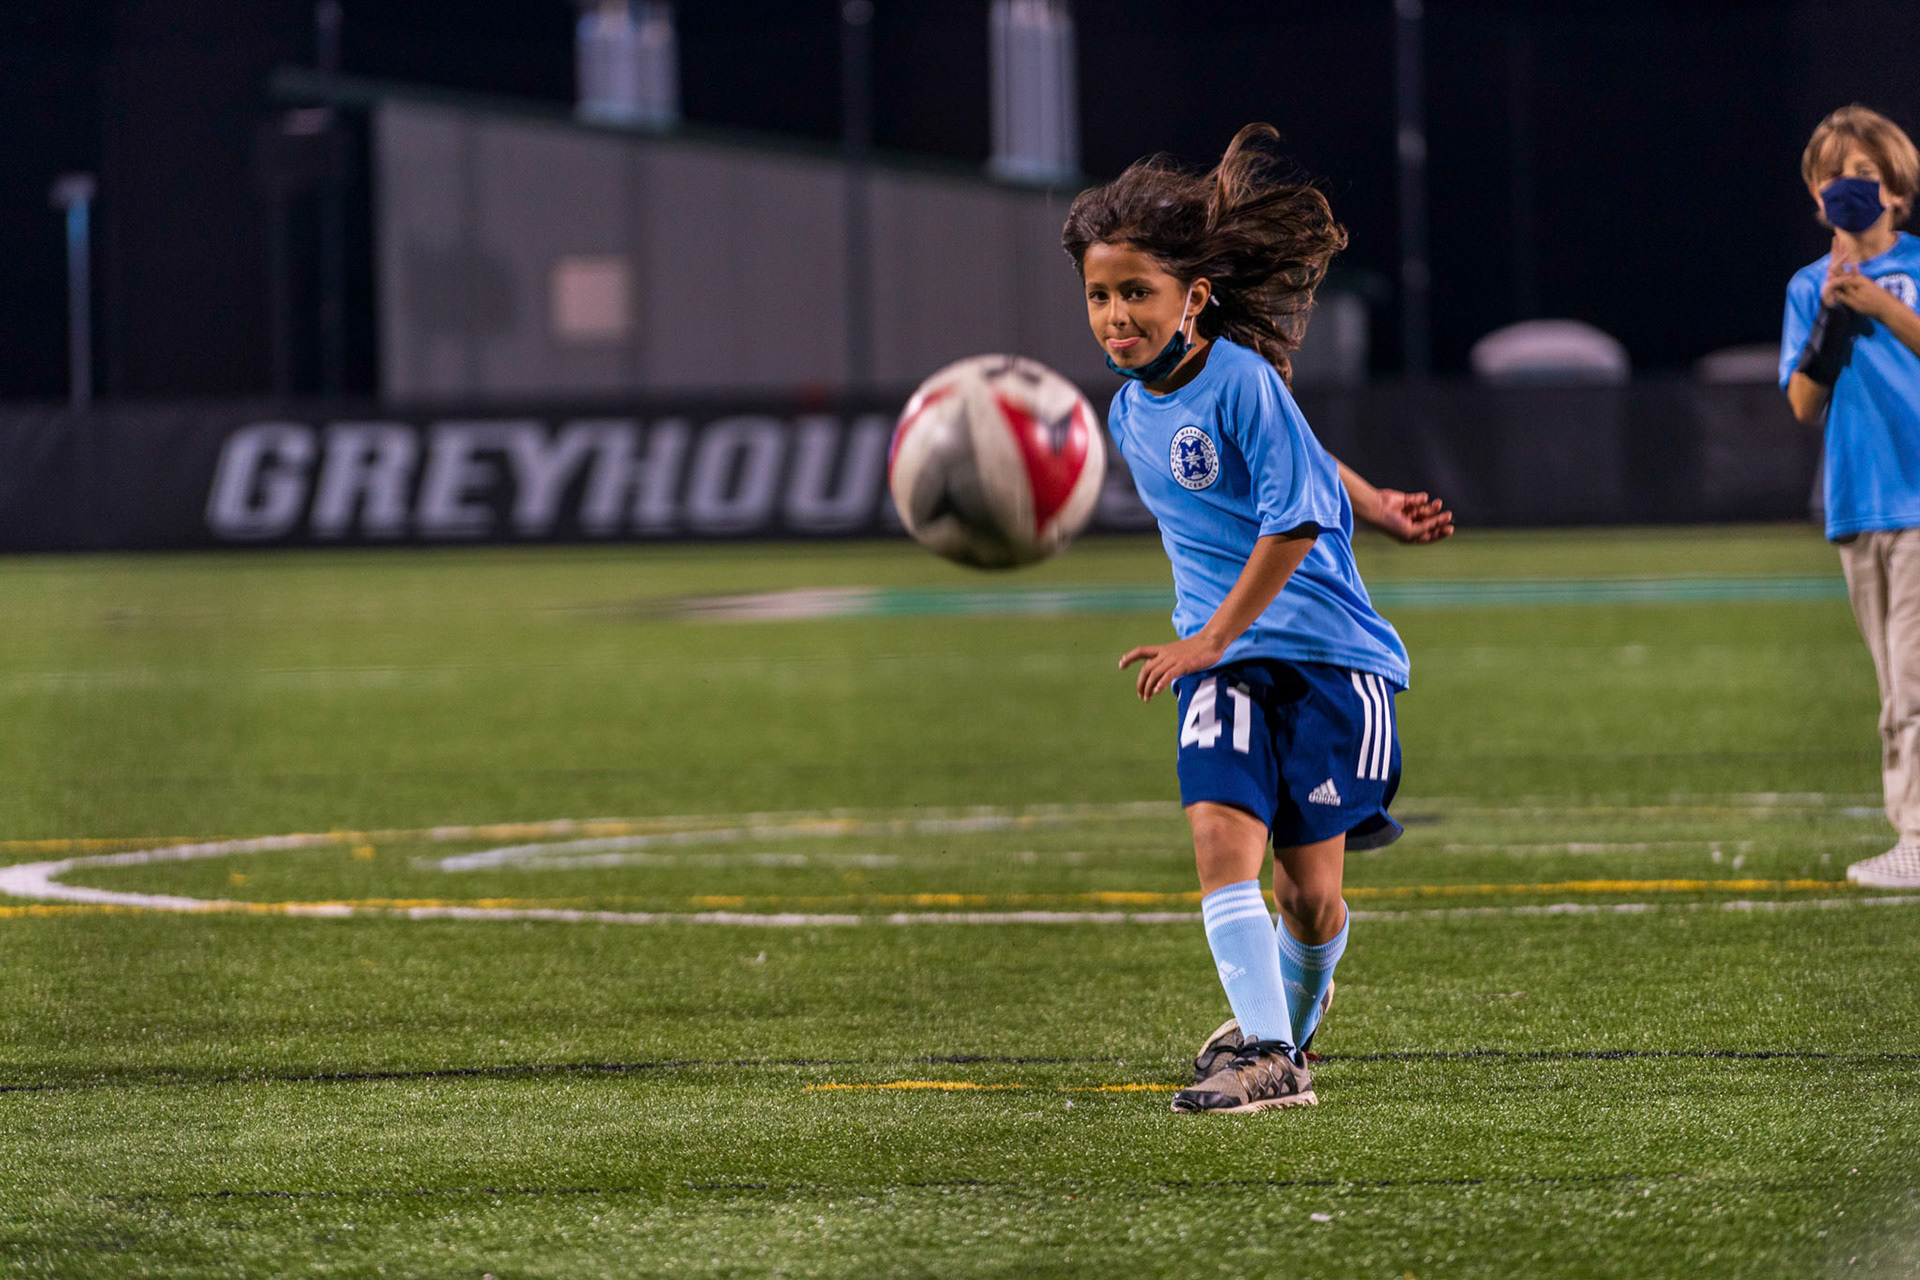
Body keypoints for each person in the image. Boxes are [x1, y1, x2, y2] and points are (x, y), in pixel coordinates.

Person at [1062, 124, 1452, 1113]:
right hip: (1223, 659)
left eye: (1135, 292)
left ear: (1193, 296)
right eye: (1101, 295)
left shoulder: (1237, 377)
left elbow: (1292, 513)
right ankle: (1269, 1053)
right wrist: (1381, 502)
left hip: (1327, 656)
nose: (1115, 316)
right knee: (1216, 836)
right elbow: (1311, 467)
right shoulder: (1125, 407)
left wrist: (1209, 638)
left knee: (1307, 894)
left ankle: (1291, 1036)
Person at [1782, 104, 1920, 890]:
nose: (1848, 189)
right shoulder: (1810, 285)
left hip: (1918, 496)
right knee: (1893, 682)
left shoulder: (1916, 268)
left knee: (1912, 679)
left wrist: (1882, 306)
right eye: (1834, 177)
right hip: (1858, 503)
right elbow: (1803, 405)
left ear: (1897, 191)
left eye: (1864, 176)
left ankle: (1917, 833)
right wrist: (1832, 320)